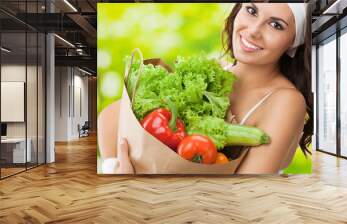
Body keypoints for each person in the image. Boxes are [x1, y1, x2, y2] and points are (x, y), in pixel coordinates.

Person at [98, 2, 313, 174]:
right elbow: (111, 118)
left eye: (276, 25)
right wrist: (116, 168)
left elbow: (247, 195)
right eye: (251, 10)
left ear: (294, 41)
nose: (254, 31)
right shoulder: (213, 69)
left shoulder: (287, 101)